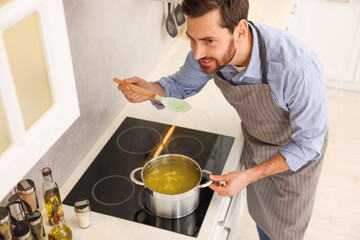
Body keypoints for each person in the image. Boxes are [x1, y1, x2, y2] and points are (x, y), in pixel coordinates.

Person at [116, 0, 329, 239]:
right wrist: (151, 90)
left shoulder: (296, 68)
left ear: (239, 31)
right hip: (256, 141)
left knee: (281, 232)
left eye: (208, 41)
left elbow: (309, 143)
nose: (197, 53)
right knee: (261, 215)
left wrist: (248, 175)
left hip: (294, 159)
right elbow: (179, 85)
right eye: (192, 39)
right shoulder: (208, 53)